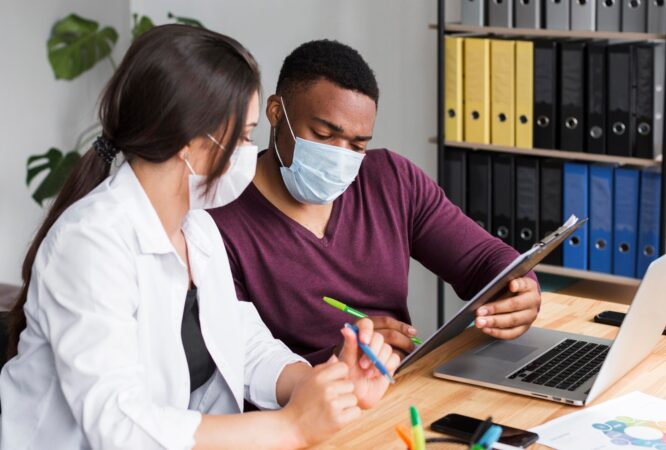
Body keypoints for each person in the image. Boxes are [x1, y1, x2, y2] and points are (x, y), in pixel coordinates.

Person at [1, 27, 398, 450]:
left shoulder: (198, 228)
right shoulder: (90, 243)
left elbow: (244, 343)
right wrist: (292, 427)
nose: (250, 152)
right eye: (244, 137)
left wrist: (324, 383)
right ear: (188, 141)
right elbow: (118, 425)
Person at [209, 39, 541, 365]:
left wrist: (519, 290)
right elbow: (237, 367)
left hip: (400, 390)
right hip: (308, 406)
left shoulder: (392, 179)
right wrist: (339, 358)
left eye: (357, 145)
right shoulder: (219, 219)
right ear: (276, 112)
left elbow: (484, 259)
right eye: (324, 136)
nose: (340, 156)